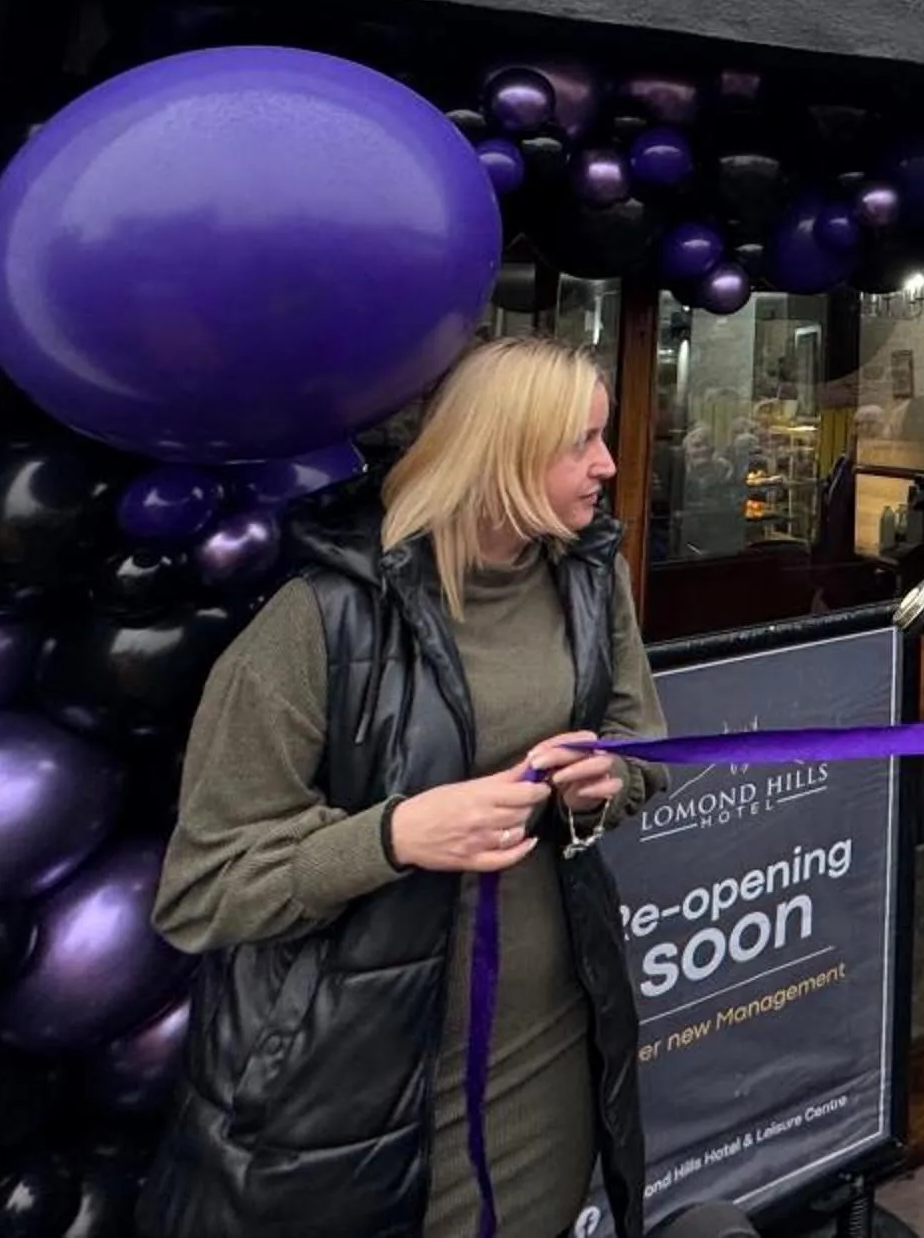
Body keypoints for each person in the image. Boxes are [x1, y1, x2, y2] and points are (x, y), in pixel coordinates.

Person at [148, 338, 668, 1238]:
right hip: (362, 1080)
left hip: (549, 1039)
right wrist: (393, 836)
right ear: (503, 453)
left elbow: (646, 748)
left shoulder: (590, 579)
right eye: (581, 441)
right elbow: (202, 890)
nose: (609, 463)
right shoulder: (320, 620)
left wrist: (607, 783)